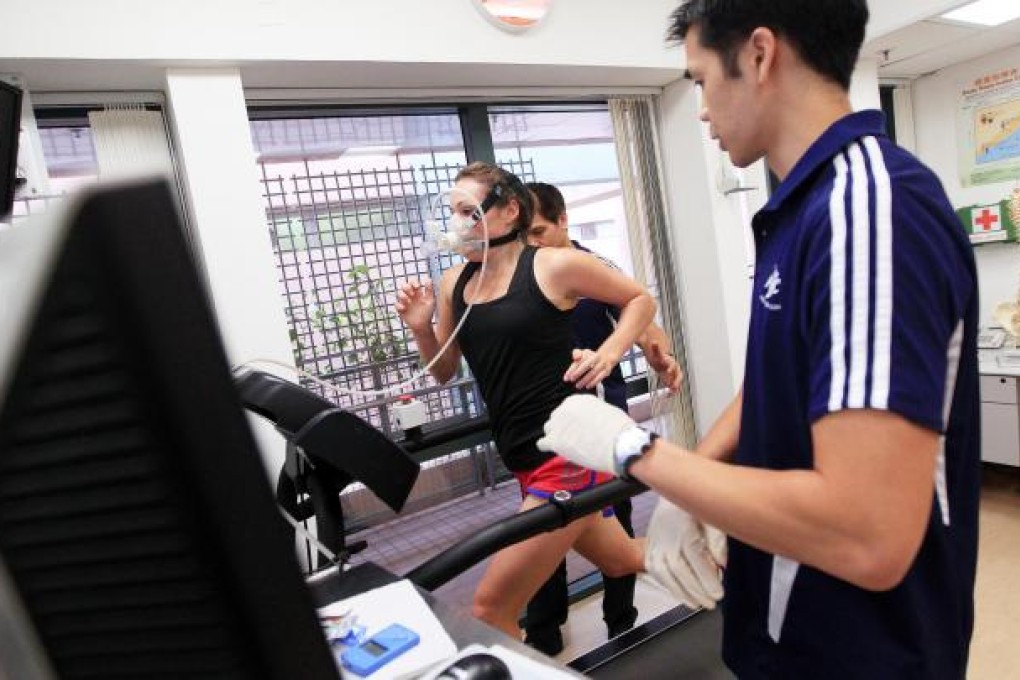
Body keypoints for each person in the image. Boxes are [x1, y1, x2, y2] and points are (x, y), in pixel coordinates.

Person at [537, 1, 981, 677]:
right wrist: (697, 483)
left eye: (699, 80)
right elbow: (780, 379)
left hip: (865, 647)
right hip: (782, 622)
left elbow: (867, 532)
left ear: (759, 54)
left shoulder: (867, 210)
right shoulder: (801, 210)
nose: (703, 110)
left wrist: (635, 451)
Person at [394, 162, 710, 640]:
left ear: (509, 210)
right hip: (522, 454)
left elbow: (639, 300)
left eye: (470, 211)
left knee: (489, 609)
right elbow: (441, 371)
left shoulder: (552, 265)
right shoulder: (454, 282)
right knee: (623, 557)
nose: (458, 223)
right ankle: (728, 556)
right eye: (454, 211)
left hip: (568, 452)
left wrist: (608, 353)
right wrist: (420, 326)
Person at [521, 180, 683, 654]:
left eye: (539, 232)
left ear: (564, 220)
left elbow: (649, 326)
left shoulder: (592, 269)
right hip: (545, 429)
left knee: (618, 521)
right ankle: (544, 637)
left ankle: (622, 626)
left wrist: (660, 357)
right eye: (523, 238)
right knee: (543, 529)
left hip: (602, 424)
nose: (532, 246)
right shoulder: (523, 277)